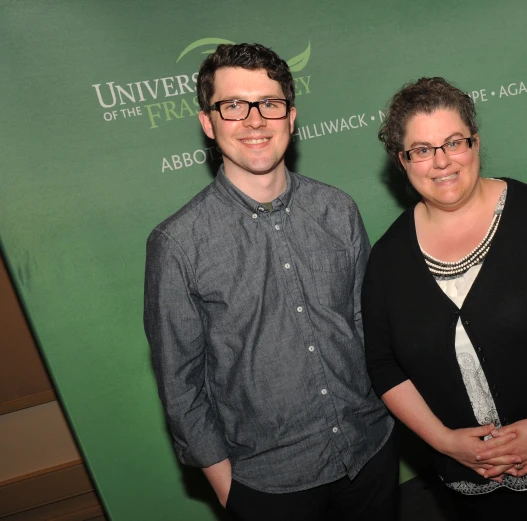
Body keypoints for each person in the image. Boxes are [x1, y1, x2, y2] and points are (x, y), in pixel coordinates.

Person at [143, 43, 396, 521]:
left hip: (371, 454)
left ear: (291, 117)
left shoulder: (337, 210)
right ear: (208, 123)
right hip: (268, 486)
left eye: (269, 104)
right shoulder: (177, 243)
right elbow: (180, 384)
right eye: (233, 106)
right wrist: (228, 488)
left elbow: (370, 330)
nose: (255, 120)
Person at [363, 77, 527, 519]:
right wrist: (444, 441)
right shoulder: (387, 260)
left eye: (454, 142)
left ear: (476, 143)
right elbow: (382, 364)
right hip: (470, 486)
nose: (442, 161)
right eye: (422, 149)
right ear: (402, 161)